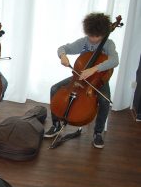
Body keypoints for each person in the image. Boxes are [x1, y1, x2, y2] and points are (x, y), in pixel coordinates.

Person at [44, 13, 119, 149]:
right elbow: (62, 48)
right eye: (91, 35)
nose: (93, 39)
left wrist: (94, 69)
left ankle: (97, 133)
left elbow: (115, 61)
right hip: (79, 78)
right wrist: (63, 56)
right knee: (54, 89)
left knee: (105, 101)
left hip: (98, 80)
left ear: (103, 33)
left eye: (97, 36)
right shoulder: (84, 41)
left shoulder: (108, 44)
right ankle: (55, 125)